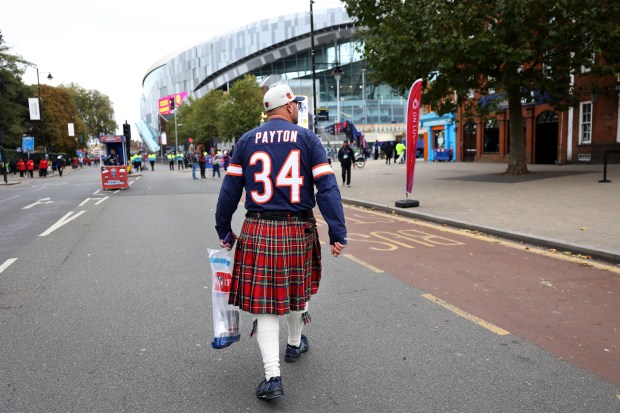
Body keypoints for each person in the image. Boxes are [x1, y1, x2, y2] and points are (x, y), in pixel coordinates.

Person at [215, 83, 347, 400]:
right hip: (298, 229)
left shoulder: (246, 141)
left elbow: (229, 192)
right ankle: (292, 343)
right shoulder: (307, 139)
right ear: (288, 106)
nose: (298, 109)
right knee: (295, 289)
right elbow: (327, 189)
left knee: (266, 304)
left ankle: (273, 377)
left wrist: (224, 230)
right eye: (296, 105)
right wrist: (337, 231)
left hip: (258, 229)